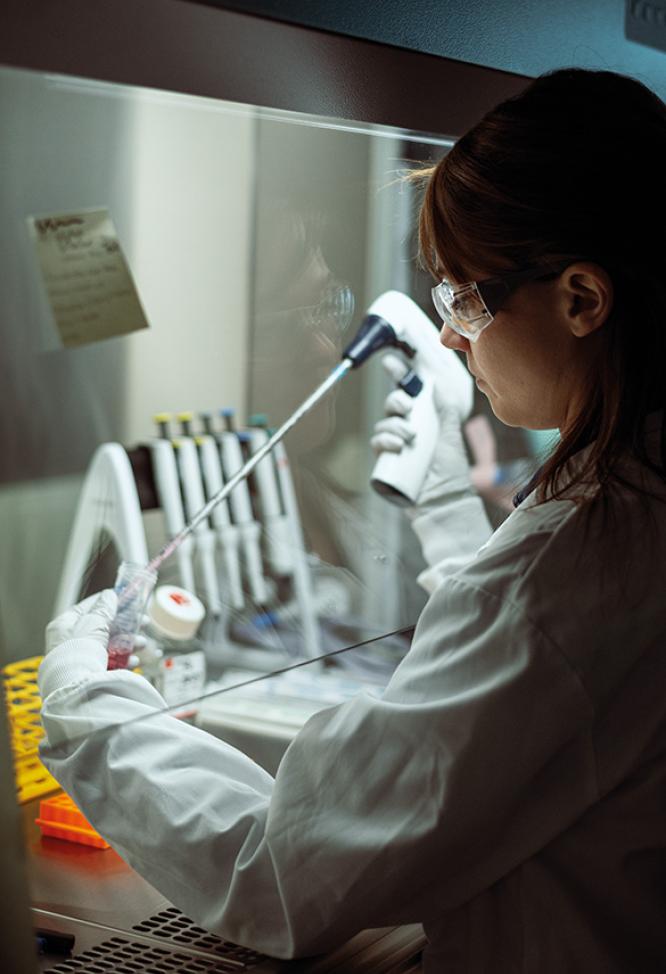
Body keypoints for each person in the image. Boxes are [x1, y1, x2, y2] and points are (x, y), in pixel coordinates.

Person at [38, 68, 666, 972]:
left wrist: (82, 705)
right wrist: (450, 505)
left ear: (581, 299)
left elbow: (278, 878)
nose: (451, 336)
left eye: (467, 299)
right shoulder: (633, 501)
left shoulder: (589, 556)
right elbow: (541, 693)